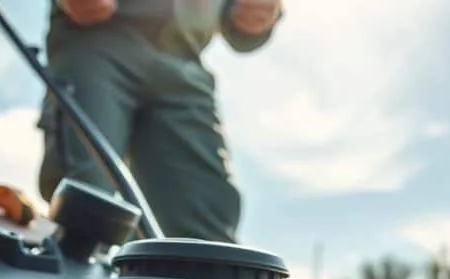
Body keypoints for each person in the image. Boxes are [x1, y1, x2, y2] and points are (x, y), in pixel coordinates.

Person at [37, 0, 284, 243]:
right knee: (84, 198)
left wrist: (254, 13)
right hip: (96, 40)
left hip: (184, 57)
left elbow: (240, 21)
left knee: (205, 214)